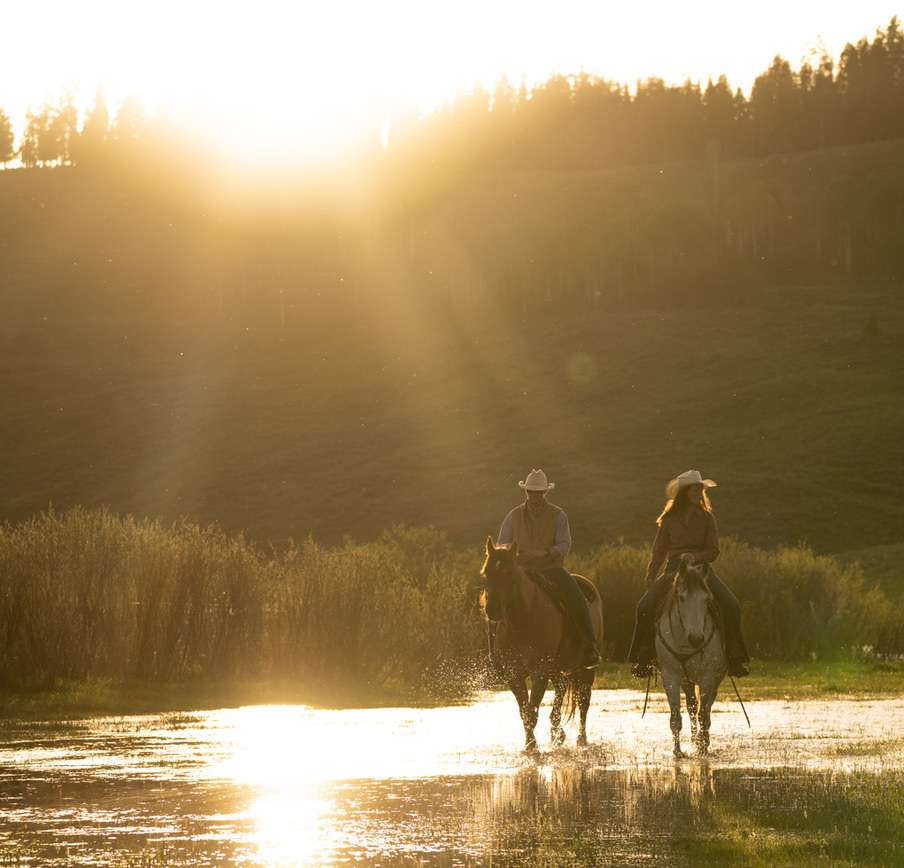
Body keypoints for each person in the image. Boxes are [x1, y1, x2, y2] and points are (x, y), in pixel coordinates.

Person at [627, 469, 750, 678]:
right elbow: (659, 550)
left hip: (702, 571)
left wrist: (695, 557)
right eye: (694, 489)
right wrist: (651, 574)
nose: (698, 493)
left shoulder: (707, 518)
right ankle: (643, 657)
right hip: (674, 570)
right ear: (684, 493)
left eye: (700, 489)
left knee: (732, 606)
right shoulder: (669, 520)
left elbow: (713, 550)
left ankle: (735, 657)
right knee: (644, 607)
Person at [497, 468, 601, 669]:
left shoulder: (558, 515)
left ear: (545, 493)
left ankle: (590, 645)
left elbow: (564, 544)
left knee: (576, 597)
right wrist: (512, 554)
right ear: (526, 492)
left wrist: (544, 553)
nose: (534, 496)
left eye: (538, 492)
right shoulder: (513, 516)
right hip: (521, 571)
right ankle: (495, 652)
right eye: (531, 492)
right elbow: (502, 543)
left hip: (551, 569)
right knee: (496, 598)